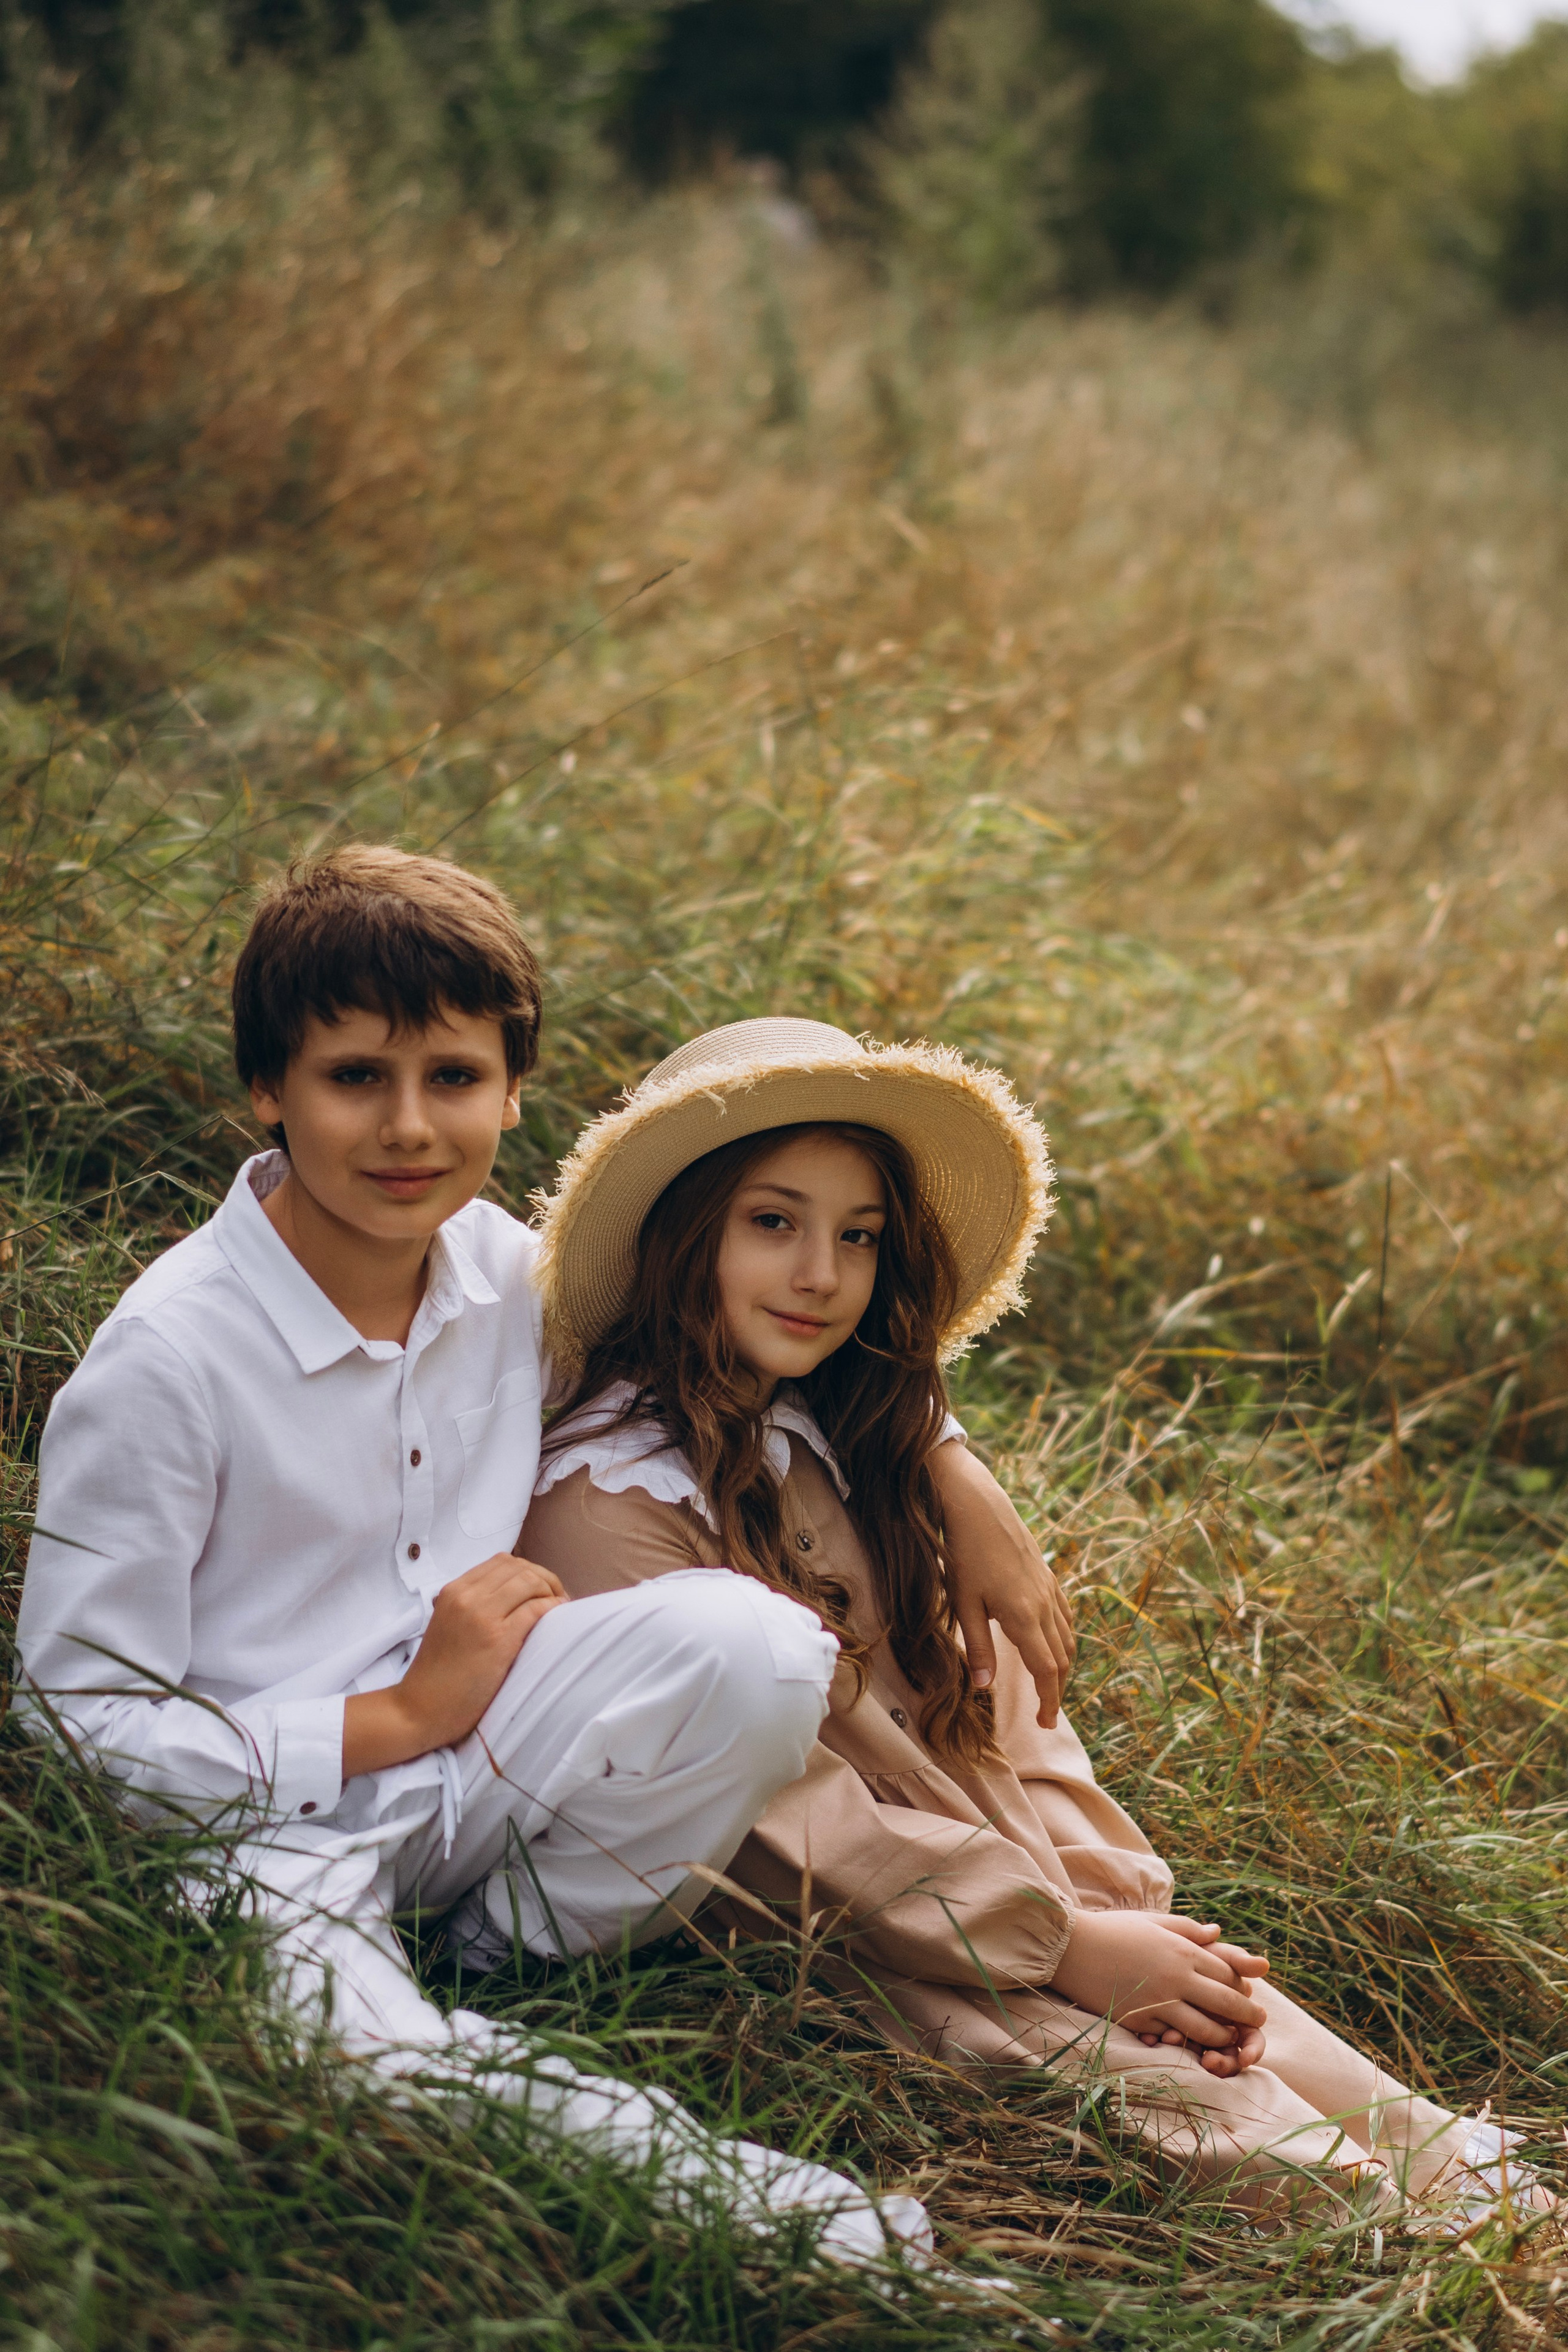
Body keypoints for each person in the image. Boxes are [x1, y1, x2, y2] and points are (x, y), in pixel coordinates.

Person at [12, 853, 935, 2265]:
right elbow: (74, 1724)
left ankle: (495, 1958)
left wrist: (953, 1475)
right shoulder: (169, 1363)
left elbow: (736, 1327)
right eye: (353, 1077)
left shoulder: (510, 1275)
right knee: (369, 2070)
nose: (406, 1128)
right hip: (265, 1828)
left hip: (481, 1773)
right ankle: (814, 2234)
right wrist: (393, 1719)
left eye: (452, 1077)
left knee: (759, 1652)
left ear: (511, 1094)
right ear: (266, 1089)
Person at [519, 1014, 1547, 2225]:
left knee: (1375, 2113)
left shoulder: (844, 1438)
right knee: (1316, 2183)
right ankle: (1422, 2240)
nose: (820, 1276)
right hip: (854, 1950)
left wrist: (1106, 1915)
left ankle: (1472, 2189)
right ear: (682, 1230)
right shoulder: (608, 1503)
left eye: (857, 1236)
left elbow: (1005, 1726)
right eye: (773, 1223)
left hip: (1017, 1897)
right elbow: (777, 1828)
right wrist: (1063, 1948)